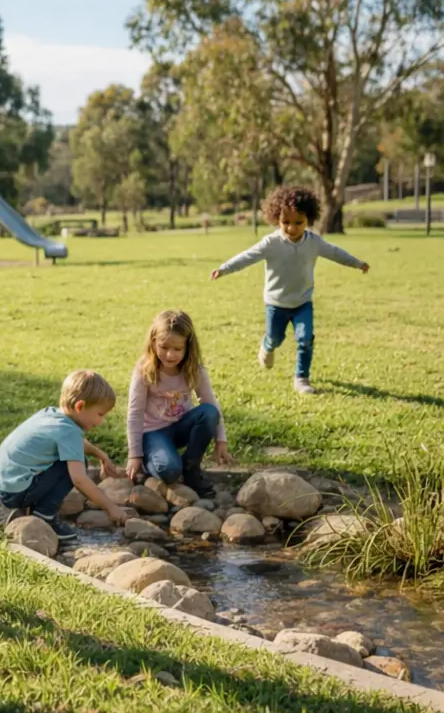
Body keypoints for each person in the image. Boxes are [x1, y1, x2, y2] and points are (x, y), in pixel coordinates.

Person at [211, 184, 369, 395]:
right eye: (285, 222)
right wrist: (224, 269)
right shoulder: (271, 243)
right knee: (276, 338)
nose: (292, 228)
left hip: (303, 302)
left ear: (308, 220)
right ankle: (267, 345)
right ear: (276, 218)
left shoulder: (314, 242)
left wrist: (357, 263)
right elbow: (247, 257)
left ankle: (301, 378)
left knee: (306, 339)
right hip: (276, 303)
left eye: (298, 222)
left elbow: (335, 253)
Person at [0, 370, 128, 542]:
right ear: (79, 406)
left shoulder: (51, 414)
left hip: (0, 485)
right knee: (78, 464)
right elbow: (79, 480)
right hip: (14, 491)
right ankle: (44, 514)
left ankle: (11, 508)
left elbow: (76, 445)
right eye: (100, 414)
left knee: (73, 458)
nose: (102, 421)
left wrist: (101, 454)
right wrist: (110, 507)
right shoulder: (69, 432)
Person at [126, 310, 233, 499]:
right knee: (169, 471)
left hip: (181, 427)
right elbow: (135, 413)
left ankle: (191, 467)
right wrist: (135, 455)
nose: (170, 354)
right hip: (152, 433)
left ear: (188, 347)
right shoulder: (145, 369)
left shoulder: (194, 370)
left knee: (208, 412)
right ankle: (152, 461)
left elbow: (211, 404)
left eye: (177, 349)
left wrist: (221, 440)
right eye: (164, 347)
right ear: (153, 343)